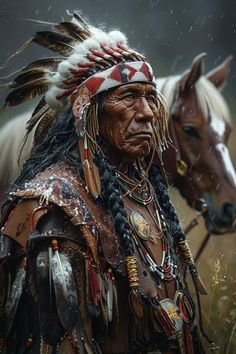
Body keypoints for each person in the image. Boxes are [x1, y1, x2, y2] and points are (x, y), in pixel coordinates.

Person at [0, 12, 213, 354]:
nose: (145, 112)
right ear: (88, 111)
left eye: (150, 98)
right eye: (128, 97)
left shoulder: (142, 191)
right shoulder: (53, 208)